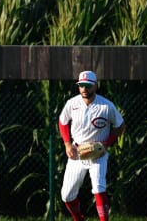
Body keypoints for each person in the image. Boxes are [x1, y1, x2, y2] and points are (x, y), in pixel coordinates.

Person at [58, 70, 125, 221]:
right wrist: (67, 144)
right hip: (77, 152)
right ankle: (79, 219)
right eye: (81, 85)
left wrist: (106, 144)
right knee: (67, 195)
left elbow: (120, 126)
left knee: (99, 188)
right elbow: (63, 122)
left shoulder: (106, 106)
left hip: (98, 154)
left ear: (95, 85)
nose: (84, 89)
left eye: (88, 86)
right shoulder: (72, 103)